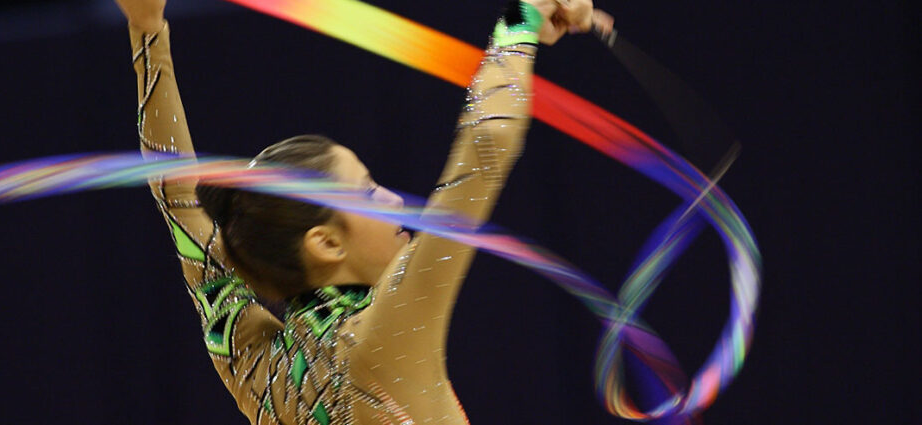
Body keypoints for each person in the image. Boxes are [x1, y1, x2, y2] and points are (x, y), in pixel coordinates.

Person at [114, 0, 611, 423]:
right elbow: (488, 142)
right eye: (370, 191)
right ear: (326, 242)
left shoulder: (261, 369)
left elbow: (178, 197)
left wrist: (147, 28)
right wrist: (520, 21)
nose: (397, 202)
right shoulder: (386, 331)